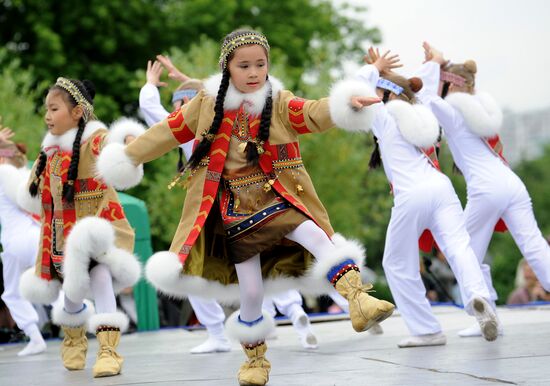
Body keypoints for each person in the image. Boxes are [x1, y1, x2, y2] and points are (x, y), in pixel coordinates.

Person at [97, 29, 394, 386]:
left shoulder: (278, 101)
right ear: (227, 68)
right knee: (251, 292)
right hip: (232, 210)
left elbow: (311, 113)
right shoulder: (206, 104)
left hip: (278, 196)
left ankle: (359, 300)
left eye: (260, 64)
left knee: (316, 234)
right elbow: (168, 131)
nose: (254, 72)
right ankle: (255, 361)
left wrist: (343, 105)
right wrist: (127, 156)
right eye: (244, 65)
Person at [140, 56, 320, 351]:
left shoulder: (196, 133)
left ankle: (218, 334)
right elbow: (221, 87)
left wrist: (149, 87)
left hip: (221, 212)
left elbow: (156, 115)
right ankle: (295, 312)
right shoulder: (230, 117)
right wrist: (184, 77)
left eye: (178, 104)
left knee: (192, 269)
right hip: (260, 200)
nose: (175, 110)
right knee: (267, 264)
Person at [355, 48, 498, 348]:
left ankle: (426, 330)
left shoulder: (385, 116)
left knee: (396, 262)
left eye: (379, 90)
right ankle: (478, 297)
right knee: (459, 247)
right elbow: (429, 84)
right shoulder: (424, 113)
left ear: (388, 94)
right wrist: (434, 62)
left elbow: (356, 86)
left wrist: (374, 69)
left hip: (411, 195)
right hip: (441, 188)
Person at [418, 42, 550, 337]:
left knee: (462, 253)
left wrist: (432, 65)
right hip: (511, 183)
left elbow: (424, 96)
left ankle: (485, 309)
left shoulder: (452, 110)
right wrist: (437, 67)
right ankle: (486, 309)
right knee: (535, 248)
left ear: (450, 85)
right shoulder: (482, 108)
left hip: (486, 190)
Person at [17, 78, 144, 378]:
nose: (47, 115)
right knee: (72, 291)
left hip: (97, 230)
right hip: (61, 237)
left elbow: (115, 151)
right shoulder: (48, 153)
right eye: (46, 109)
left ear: (76, 113)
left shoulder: (94, 141)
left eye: (54, 108)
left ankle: (109, 350)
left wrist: (128, 143)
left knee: (99, 277)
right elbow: (32, 197)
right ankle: (73, 337)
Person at [0, 124, 47, 356]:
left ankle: (35, 337)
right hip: (38, 235)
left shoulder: (4, 173)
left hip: (17, 241)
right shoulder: (24, 173)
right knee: (54, 283)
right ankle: (84, 314)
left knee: (12, 292)